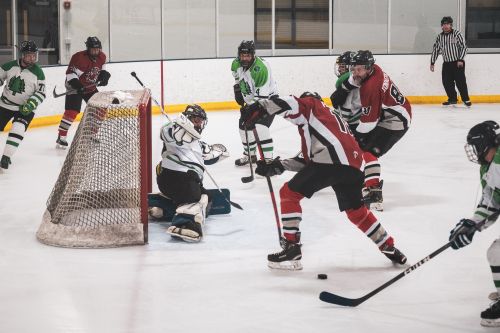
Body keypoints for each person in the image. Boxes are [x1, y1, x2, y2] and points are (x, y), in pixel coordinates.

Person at [240, 92, 407, 270]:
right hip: (354, 165)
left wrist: (261, 107)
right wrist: (278, 166)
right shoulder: (330, 120)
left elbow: (291, 102)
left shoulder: (311, 105)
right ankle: (388, 245)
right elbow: (307, 161)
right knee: (356, 211)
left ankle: (291, 246)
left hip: (332, 158)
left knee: (288, 194)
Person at [340, 50, 412, 211]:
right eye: (354, 69)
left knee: (368, 151)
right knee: (363, 148)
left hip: (396, 121)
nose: (355, 72)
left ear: (368, 68)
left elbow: (369, 122)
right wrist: (345, 87)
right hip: (390, 113)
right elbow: (356, 79)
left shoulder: (371, 88)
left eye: (359, 69)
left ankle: (374, 192)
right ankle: (366, 181)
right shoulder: (375, 69)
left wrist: (353, 135)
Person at [448, 120, 500, 327]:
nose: (476, 153)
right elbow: (490, 204)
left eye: (477, 147)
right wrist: (471, 225)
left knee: (497, 253)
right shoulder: (489, 168)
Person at [157, 104, 228, 242]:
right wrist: (178, 127)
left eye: (201, 121)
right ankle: (185, 224)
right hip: (177, 179)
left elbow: (213, 154)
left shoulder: (198, 144)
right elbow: (165, 133)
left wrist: (220, 150)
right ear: (187, 118)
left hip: (178, 182)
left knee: (206, 195)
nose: (199, 124)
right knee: (197, 198)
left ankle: (163, 208)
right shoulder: (174, 127)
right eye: (196, 120)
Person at [56, 36, 111, 148]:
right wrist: (78, 86)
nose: (96, 51)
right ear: (88, 49)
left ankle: (91, 134)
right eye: (93, 49)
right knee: (72, 111)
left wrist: (104, 76)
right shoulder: (78, 57)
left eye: (97, 49)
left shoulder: (102, 56)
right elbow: (70, 75)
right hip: (74, 86)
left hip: (90, 87)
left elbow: (102, 68)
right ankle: (61, 137)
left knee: (100, 109)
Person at [0, 40, 45, 170]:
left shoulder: (38, 72)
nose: (32, 58)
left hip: (25, 109)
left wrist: (31, 104)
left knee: (18, 129)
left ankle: (6, 157)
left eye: (34, 55)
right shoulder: (10, 66)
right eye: (29, 55)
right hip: (4, 104)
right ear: (22, 55)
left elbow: (42, 93)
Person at [231, 40, 278, 166]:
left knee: (261, 127)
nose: (244, 58)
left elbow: (261, 98)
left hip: (269, 101)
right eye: (242, 55)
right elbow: (237, 78)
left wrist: (249, 109)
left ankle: (269, 161)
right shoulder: (235, 64)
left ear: (252, 55)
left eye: (247, 56)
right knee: (243, 126)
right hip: (253, 101)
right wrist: (237, 90)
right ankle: (250, 155)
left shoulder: (260, 69)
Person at [430, 16, 471, 107]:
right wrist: (432, 62)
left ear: (451, 25)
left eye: (448, 24)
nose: (446, 26)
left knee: (460, 82)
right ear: (441, 26)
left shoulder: (457, 34)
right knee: (446, 82)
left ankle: (466, 99)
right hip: (447, 63)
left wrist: (460, 59)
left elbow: (464, 47)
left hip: (457, 62)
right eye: (444, 24)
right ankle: (452, 99)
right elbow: (436, 50)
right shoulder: (440, 37)